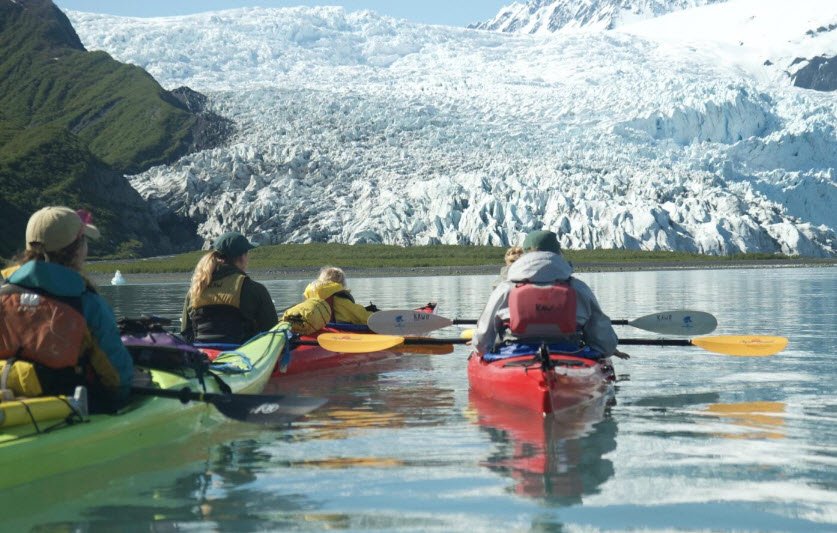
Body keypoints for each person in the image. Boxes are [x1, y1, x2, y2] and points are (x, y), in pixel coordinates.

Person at [0, 206, 134, 411]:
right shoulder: (87, 304)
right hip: (64, 409)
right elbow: (118, 381)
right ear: (77, 249)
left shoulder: (3, 292)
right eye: (84, 241)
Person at [473, 230, 623, 358]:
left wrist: (481, 352)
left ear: (525, 255)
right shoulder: (579, 289)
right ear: (558, 254)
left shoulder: (505, 289)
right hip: (571, 356)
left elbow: (481, 343)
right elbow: (605, 344)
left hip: (513, 357)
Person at [181, 232, 278, 344]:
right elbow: (271, 330)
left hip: (202, 355)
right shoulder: (254, 289)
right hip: (242, 355)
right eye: (247, 254)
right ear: (242, 257)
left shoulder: (196, 289)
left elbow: (185, 332)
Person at [301, 266, 376, 325]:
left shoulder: (310, 298)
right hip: (337, 334)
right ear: (341, 283)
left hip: (316, 332)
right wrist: (376, 314)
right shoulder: (341, 300)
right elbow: (363, 317)